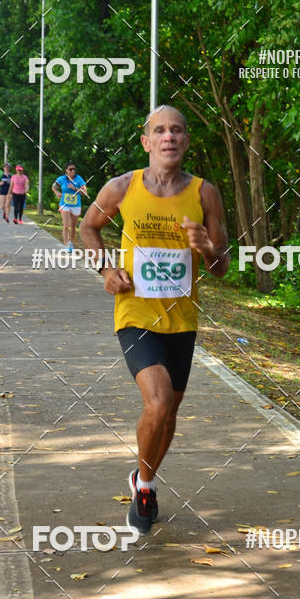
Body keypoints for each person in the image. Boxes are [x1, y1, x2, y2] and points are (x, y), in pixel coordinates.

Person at [80, 105, 229, 534]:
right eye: (159, 131)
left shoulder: (205, 194)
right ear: (146, 142)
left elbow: (220, 266)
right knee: (159, 400)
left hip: (182, 320)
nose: (169, 137)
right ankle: (144, 486)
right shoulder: (123, 187)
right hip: (135, 313)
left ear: (186, 141)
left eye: (177, 130)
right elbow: (90, 228)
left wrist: (206, 247)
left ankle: (144, 475)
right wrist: (107, 269)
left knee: (170, 414)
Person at [52, 163, 88, 250]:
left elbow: (85, 193)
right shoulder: (62, 179)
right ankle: (66, 245)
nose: (72, 171)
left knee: (73, 226)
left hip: (76, 205)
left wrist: (75, 188)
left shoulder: (79, 179)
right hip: (64, 204)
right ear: (66, 170)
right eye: (70, 169)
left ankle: (71, 243)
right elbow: (53, 187)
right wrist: (57, 193)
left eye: (74, 169)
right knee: (66, 225)